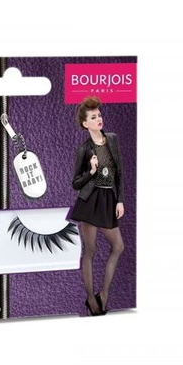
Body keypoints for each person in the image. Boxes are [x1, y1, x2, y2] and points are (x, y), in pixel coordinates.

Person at [69, 96, 125, 316]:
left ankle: (104, 294)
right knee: (90, 250)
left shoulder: (112, 140)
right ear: (85, 123)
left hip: (108, 199)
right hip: (90, 201)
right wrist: (91, 171)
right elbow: (75, 183)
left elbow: (119, 173)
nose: (99, 119)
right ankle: (91, 299)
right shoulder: (83, 149)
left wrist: (120, 200)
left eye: (99, 115)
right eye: (93, 117)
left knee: (118, 247)